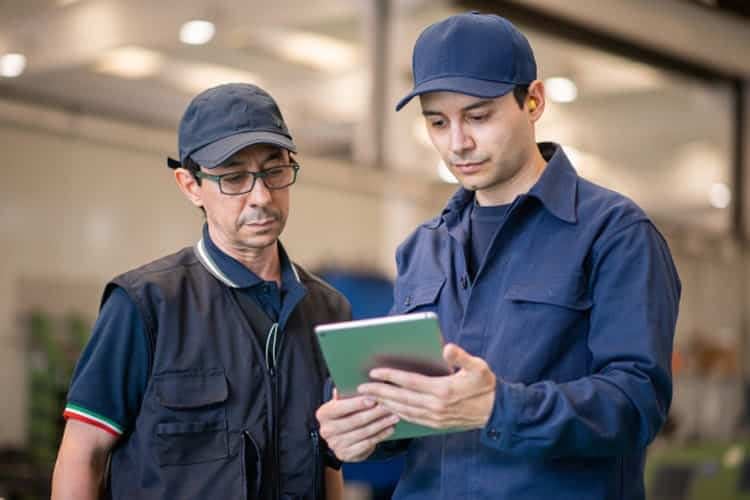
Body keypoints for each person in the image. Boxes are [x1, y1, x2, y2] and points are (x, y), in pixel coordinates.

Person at [316, 11, 680, 499]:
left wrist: (497, 408)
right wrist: (362, 431)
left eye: (478, 116)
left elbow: (636, 402)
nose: (457, 143)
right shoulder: (425, 247)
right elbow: (413, 409)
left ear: (533, 100)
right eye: (438, 122)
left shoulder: (615, 234)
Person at [51, 83, 349, 500]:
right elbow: (84, 454)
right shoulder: (144, 305)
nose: (261, 196)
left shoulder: (328, 310)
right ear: (190, 185)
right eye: (233, 178)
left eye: (274, 171)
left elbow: (328, 467)